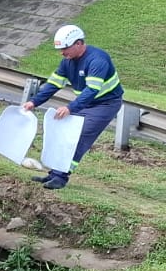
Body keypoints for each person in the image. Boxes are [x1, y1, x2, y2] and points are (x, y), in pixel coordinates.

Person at [21, 24, 123, 190]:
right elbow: (53, 84)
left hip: (105, 104)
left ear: (78, 43)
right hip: (86, 102)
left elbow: (92, 90)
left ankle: (61, 177)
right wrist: (34, 101)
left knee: (79, 136)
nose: (62, 52)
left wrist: (70, 108)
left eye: (65, 48)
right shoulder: (67, 62)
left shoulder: (97, 60)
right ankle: (54, 174)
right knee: (64, 133)